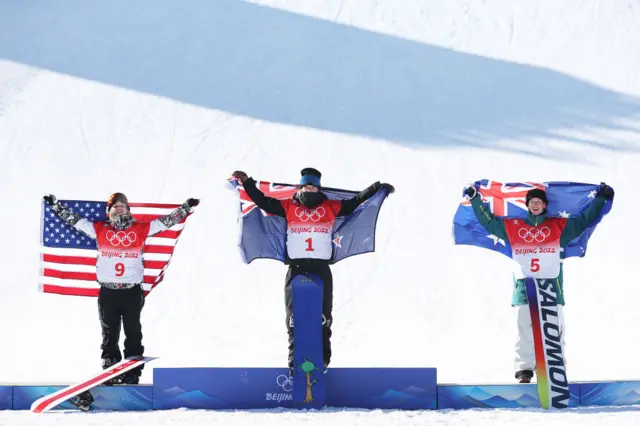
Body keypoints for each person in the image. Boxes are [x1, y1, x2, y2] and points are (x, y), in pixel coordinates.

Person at [231, 168, 394, 377]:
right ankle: (294, 363)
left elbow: (356, 202)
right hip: (296, 267)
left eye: (314, 186)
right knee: (293, 319)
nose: (310, 189)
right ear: (300, 187)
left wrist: (376, 188)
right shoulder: (288, 205)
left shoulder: (331, 206)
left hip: (321, 267)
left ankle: (323, 360)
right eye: (307, 185)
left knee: (323, 317)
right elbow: (261, 201)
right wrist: (247, 182)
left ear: (318, 187)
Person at [43, 192, 199, 407]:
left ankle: (132, 371)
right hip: (108, 291)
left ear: (128, 210)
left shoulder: (141, 229)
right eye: (115, 206)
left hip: (132, 291)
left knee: (133, 330)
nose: (119, 209)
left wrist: (185, 208)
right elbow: (76, 221)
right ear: (109, 211)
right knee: (109, 331)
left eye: (122, 206)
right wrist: (56, 206)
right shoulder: (99, 229)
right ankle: (111, 369)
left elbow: (165, 222)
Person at [463, 184, 614, 383]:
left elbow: (584, 221)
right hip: (525, 288)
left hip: (552, 287)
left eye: (539, 202)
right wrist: (475, 199)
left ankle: (555, 367)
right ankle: (524, 370)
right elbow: (489, 223)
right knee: (525, 328)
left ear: (545, 205)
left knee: (554, 329)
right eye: (532, 201)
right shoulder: (513, 227)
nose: (535, 205)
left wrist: (600, 199)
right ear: (527, 205)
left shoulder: (558, 227)